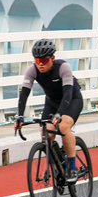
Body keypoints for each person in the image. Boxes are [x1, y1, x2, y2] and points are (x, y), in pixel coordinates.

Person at [15, 39, 82, 183]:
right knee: (46, 136)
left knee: (63, 127)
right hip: (52, 102)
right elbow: (24, 94)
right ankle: (57, 164)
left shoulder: (63, 67)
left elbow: (68, 94)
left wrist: (60, 114)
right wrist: (20, 116)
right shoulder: (32, 70)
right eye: (37, 60)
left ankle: (72, 167)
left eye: (44, 60)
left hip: (71, 100)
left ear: (52, 58)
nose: (40, 63)